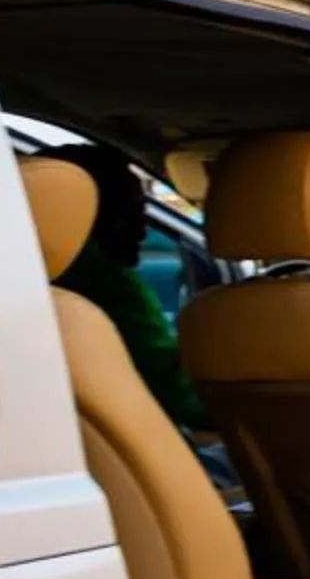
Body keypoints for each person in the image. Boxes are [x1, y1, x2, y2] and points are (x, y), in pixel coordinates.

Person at [49, 143, 211, 431]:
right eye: (130, 213)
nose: (142, 231)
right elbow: (182, 398)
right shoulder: (108, 286)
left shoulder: (1, 280)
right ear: (94, 216)